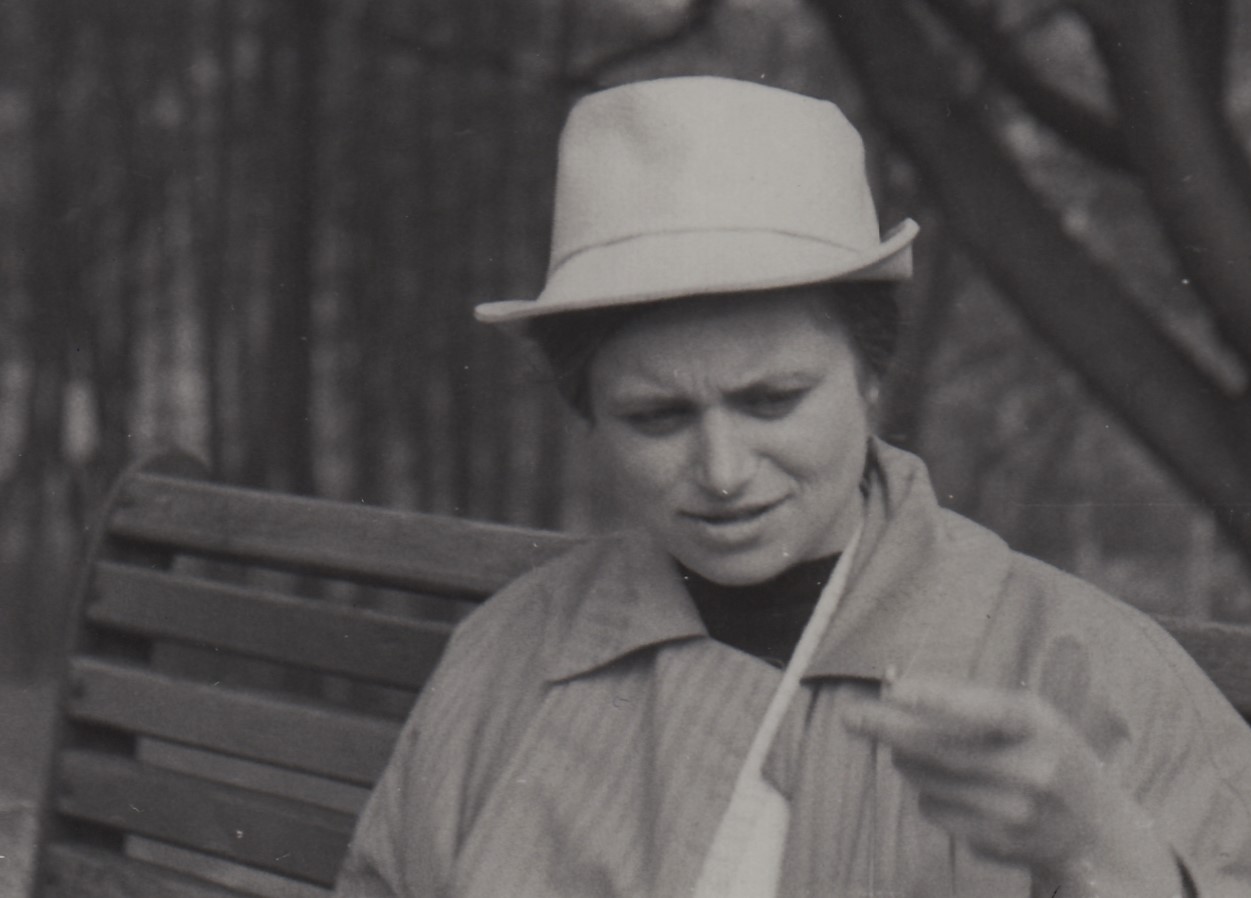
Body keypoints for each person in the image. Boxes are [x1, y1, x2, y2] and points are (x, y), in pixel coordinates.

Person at [335, 77, 1251, 897]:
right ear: (589, 419)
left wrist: (1109, 856)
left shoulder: (1078, 667)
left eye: (771, 400)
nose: (723, 471)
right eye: (656, 417)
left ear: (869, 377)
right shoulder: (507, 653)